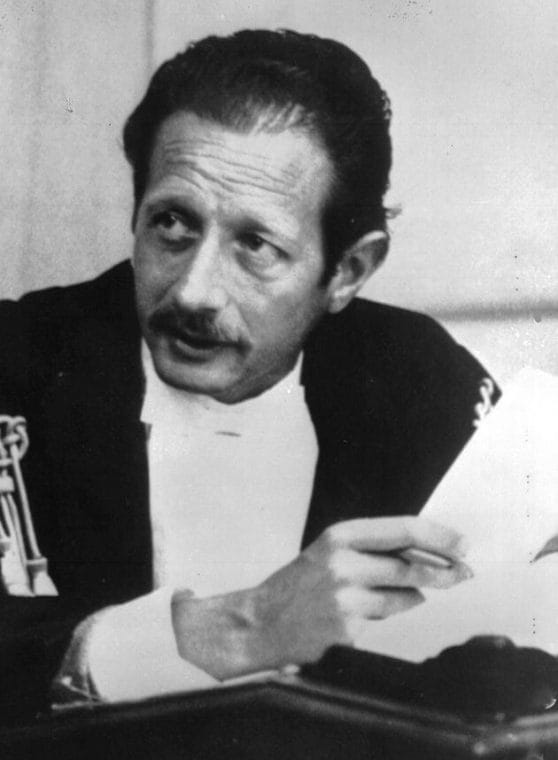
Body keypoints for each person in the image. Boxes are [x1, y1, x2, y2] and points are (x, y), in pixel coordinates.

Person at [0, 29, 496, 719]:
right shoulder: (19, 363)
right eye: (172, 224)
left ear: (348, 270)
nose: (194, 291)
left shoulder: (419, 381)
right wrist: (243, 628)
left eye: (256, 245)